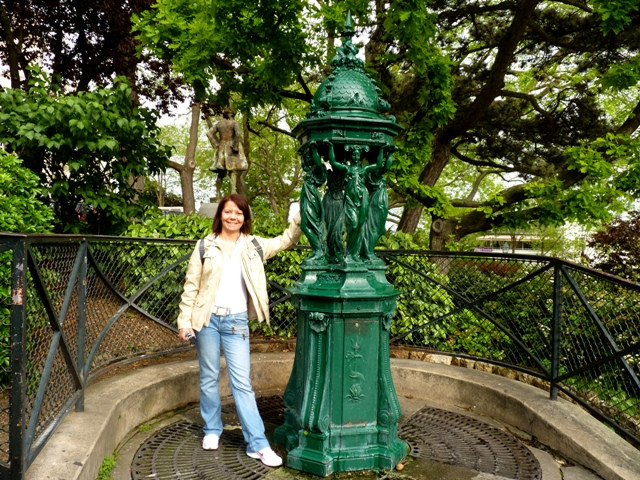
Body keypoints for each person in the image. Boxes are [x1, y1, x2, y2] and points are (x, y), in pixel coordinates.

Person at [177, 193, 301, 467]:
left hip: (237, 322)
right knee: (209, 377)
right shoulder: (205, 246)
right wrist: (184, 321)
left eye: (239, 213)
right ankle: (212, 429)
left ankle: (257, 444)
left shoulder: (253, 246)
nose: (233, 217)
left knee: (242, 384)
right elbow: (191, 287)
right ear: (220, 214)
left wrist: (299, 214)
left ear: (245, 218)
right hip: (207, 321)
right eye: (228, 212)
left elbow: (286, 240)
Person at [207, 108, 248, 199]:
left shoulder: (219, 124)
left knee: (220, 173)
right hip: (230, 148)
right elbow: (237, 134)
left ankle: (218, 193)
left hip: (221, 148)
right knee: (232, 170)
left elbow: (209, 133)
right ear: (231, 115)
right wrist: (236, 146)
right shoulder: (234, 123)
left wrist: (216, 144)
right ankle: (233, 191)